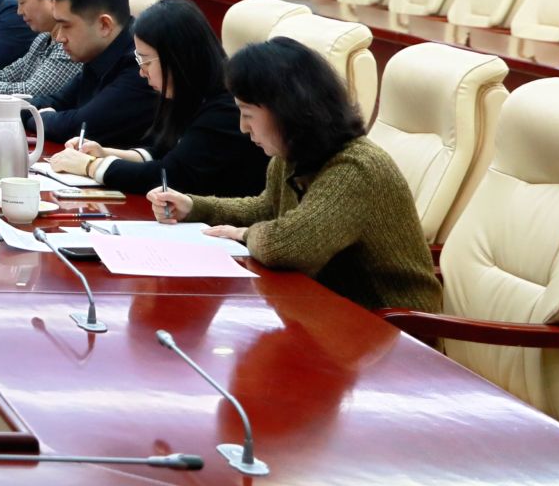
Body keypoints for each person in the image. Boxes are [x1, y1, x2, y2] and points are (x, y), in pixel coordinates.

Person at [149, 37, 442, 313]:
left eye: (248, 114)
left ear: (285, 110)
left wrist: (243, 234)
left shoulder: (355, 169)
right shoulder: (292, 155)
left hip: (392, 328)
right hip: (330, 311)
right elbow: (267, 208)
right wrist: (193, 206)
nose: (242, 127)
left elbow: (288, 247)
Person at [47, 0, 266, 198]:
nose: (142, 72)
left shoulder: (227, 107)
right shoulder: (189, 93)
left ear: (177, 58)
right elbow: (163, 151)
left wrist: (91, 166)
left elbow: (170, 176)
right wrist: (105, 153)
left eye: (146, 61)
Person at [32, 0, 158, 145]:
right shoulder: (99, 52)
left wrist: (41, 118)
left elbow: (78, 127)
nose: (59, 38)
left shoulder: (140, 64)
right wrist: (19, 110)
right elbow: (55, 101)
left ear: (104, 25)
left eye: (66, 26)